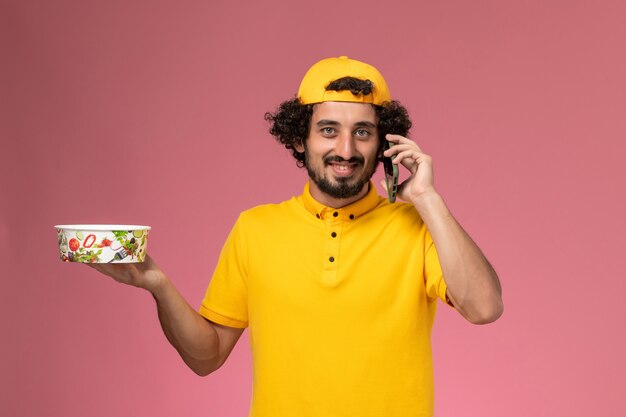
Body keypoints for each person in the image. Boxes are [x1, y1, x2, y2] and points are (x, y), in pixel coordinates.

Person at [89, 56, 503, 417]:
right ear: (298, 139)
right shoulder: (255, 229)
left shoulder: (417, 227)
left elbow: (484, 307)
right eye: (328, 130)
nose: (345, 148)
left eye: (362, 131)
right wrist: (156, 284)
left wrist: (427, 199)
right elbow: (207, 356)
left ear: (383, 144)